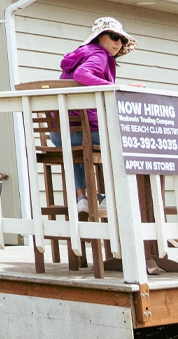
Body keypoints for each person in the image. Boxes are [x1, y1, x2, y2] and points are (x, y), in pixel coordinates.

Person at [54, 16, 137, 216]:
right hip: (86, 131)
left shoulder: (79, 55)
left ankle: (82, 197)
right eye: (114, 37)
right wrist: (119, 88)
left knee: (80, 153)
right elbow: (82, 75)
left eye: (122, 40)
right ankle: (112, 196)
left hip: (60, 133)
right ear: (99, 37)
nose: (119, 43)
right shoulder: (99, 55)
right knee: (128, 141)